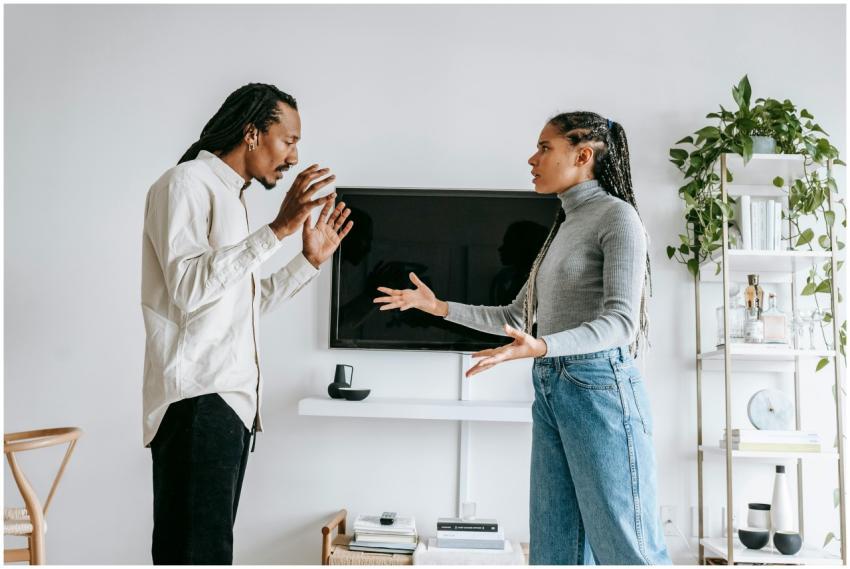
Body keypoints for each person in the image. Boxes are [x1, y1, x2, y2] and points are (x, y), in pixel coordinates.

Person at [374, 111, 671, 565]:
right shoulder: (564, 226)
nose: (533, 158)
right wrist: (438, 307)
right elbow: (516, 315)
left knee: (627, 551)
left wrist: (545, 346)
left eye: (545, 148)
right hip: (552, 389)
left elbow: (621, 323)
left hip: (600, 390)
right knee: (554, 553)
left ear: (583, 155)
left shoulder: (618, 217)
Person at [141, 83, 352, 564]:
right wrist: (277, 229)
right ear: (252, 133)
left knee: (208, 554)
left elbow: (242, 305)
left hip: (228, 405)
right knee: (196, 556)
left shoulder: (231, 199)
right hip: (199, 401)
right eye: (289, 140)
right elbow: (188, 288)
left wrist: (308, 261)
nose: (294, 157)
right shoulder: (185, 184)